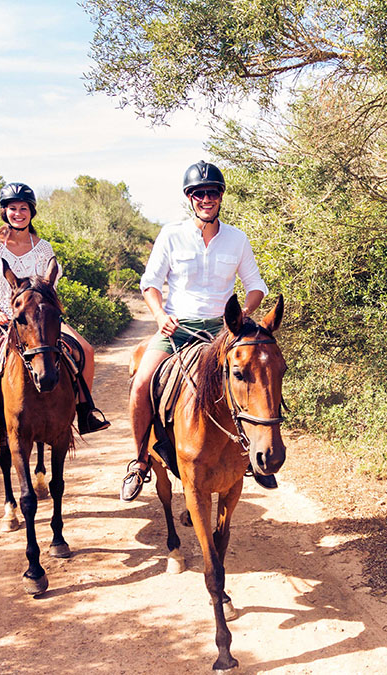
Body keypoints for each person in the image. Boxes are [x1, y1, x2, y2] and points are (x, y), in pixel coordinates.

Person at [119, 160, 272, 502]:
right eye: (199, 193)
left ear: (220, 197)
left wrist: (244, 312)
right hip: (178, 329)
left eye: (212, 193)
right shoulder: (171, 235)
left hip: (222, 334)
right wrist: (160, 316)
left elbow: (256, 285)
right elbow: (150, 284)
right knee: (141, 384)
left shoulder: (237, 239)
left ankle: (252, 458)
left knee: (256, 382)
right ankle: (140, 460)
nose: (206, 198)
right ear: (190, 198)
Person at [0, 182, 110, 448]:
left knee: (86, 350)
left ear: (32, 212)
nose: (18, 213)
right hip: (0, 319)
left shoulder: (43, 248)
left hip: (39, 320)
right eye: (13, 208)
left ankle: (86, 411)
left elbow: (49, 288)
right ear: (4, 212)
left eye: (24, 208)